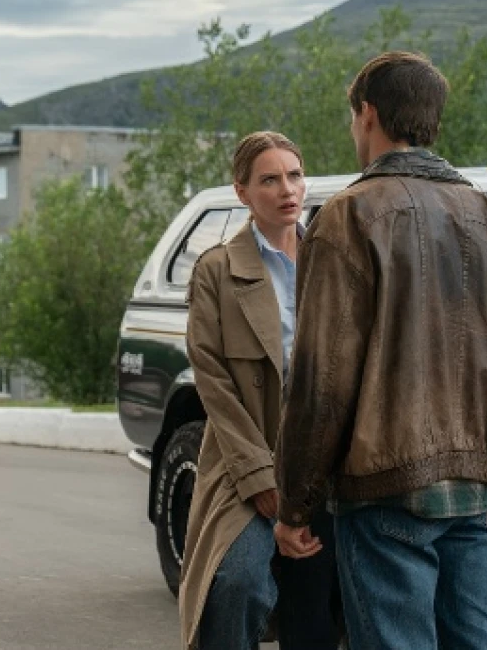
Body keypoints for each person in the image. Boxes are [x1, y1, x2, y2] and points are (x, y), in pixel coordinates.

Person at [273, 51, 487, 649]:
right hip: (471, 490)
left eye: (354, 118)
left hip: (383, 491)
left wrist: (295, 504)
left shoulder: (347, 216)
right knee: (477, 637)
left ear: (368, 114)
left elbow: (321, 381)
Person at [178, 131, 342, 650]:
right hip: (245, 461)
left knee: (318, 601)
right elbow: (214, 384)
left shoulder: (333, 261)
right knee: (237, 583)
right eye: (269, 179)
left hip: (327, 462)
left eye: (294, 175)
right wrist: (259, 479)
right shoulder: (216, 271)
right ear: (242, 191)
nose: (286, 190)